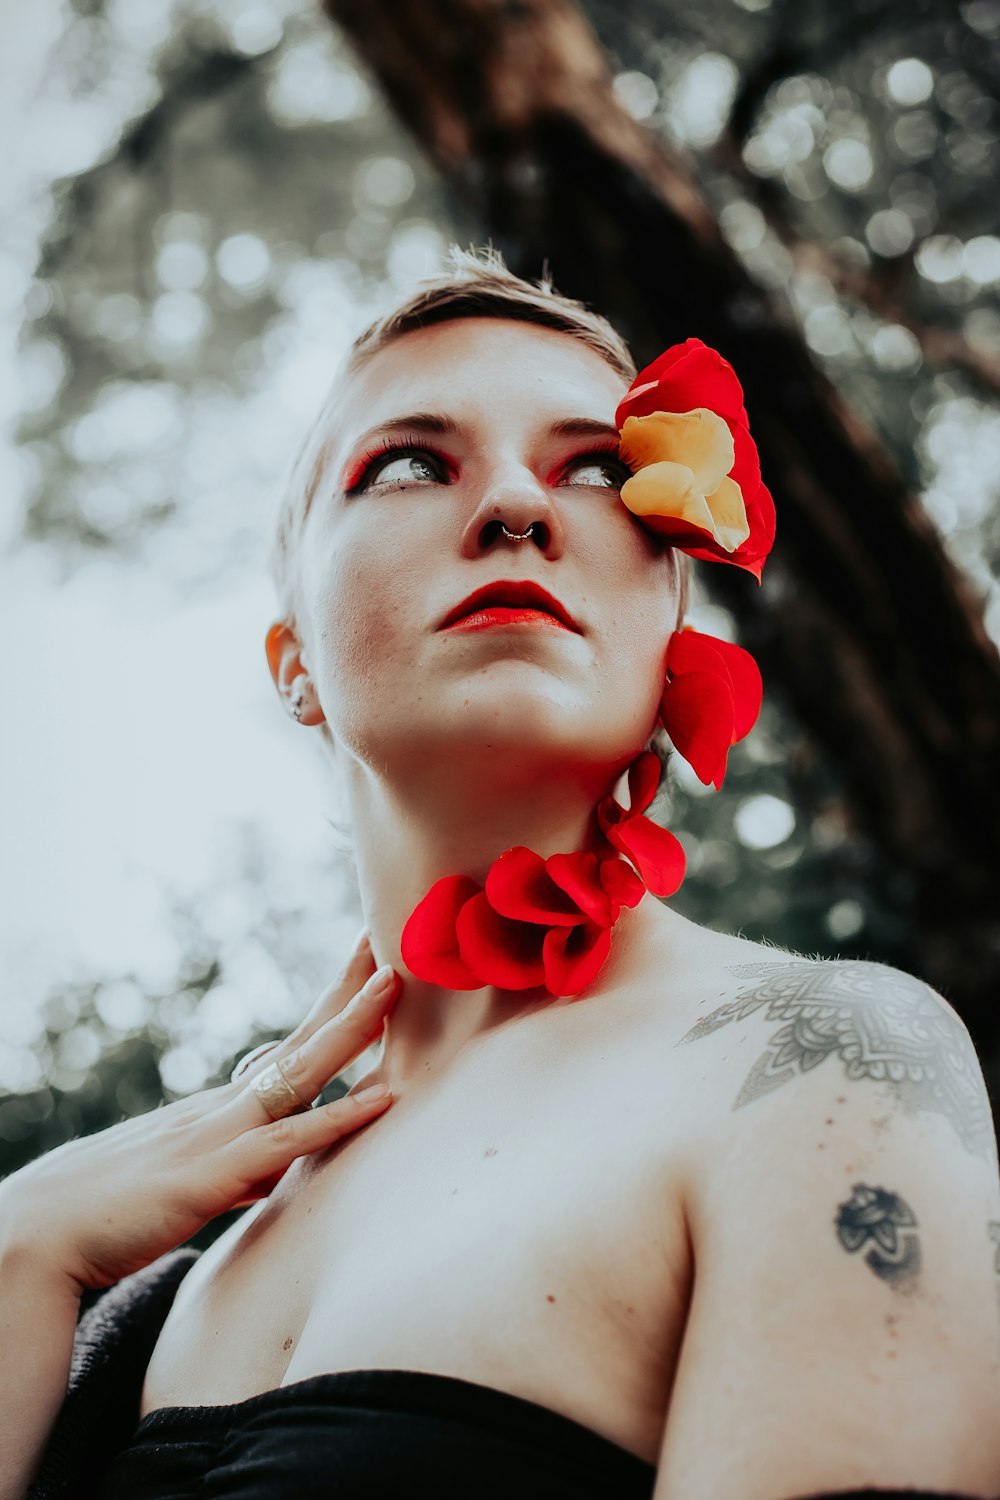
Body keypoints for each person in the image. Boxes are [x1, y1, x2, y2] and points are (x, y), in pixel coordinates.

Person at [3, 245, 999, 1500]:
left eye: (596, 467)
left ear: (669, 626)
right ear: (292, 660)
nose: (520, 507)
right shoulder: (143, 1274)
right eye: (411, 463)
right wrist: (21, 1246)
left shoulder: (822, 1066)